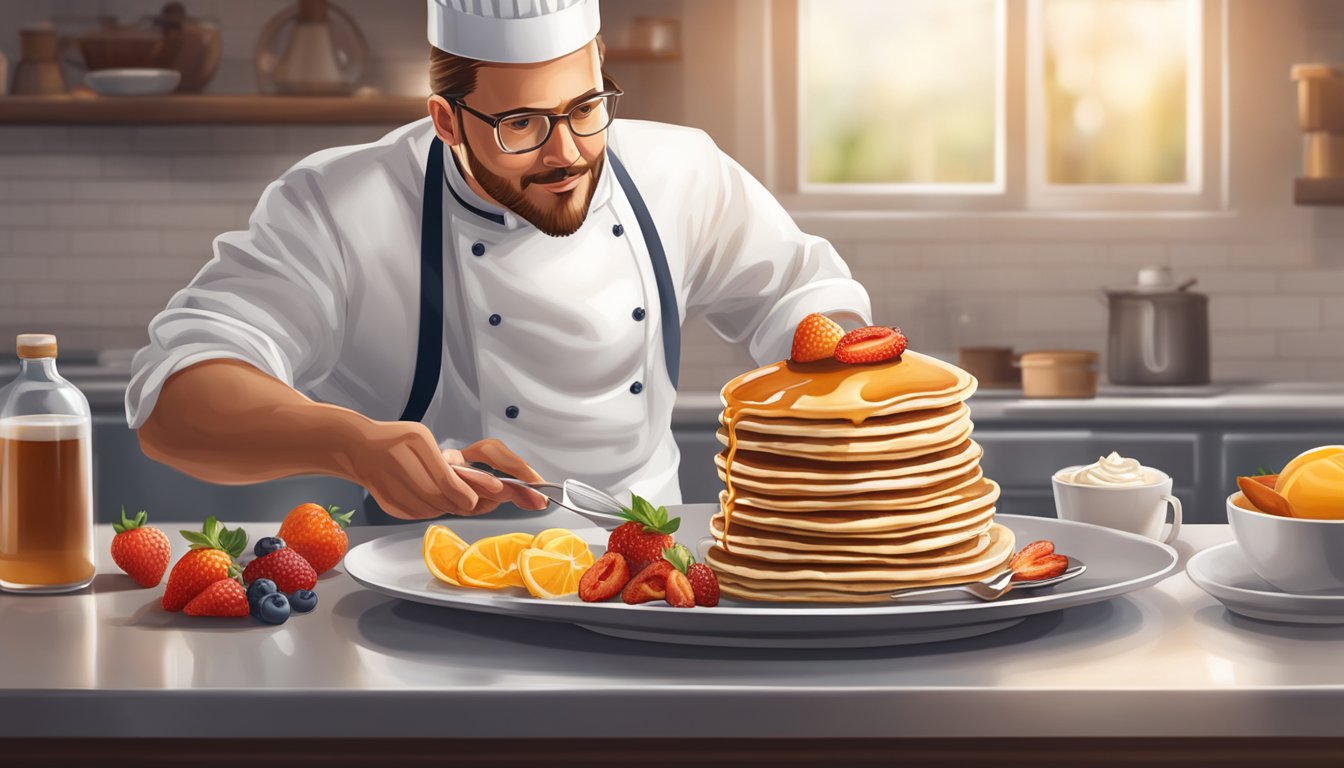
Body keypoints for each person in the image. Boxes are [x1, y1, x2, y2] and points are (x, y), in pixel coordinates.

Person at [127, 0, 872, 523]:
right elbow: (177, 397)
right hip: (427, 589)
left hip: (650, 575)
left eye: (585, 107)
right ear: (446, 120)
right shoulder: (340, 203)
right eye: (522, 123)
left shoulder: (682, 170)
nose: (568, 152)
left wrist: (847, 399)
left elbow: (799, 299)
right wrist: (351, 444)